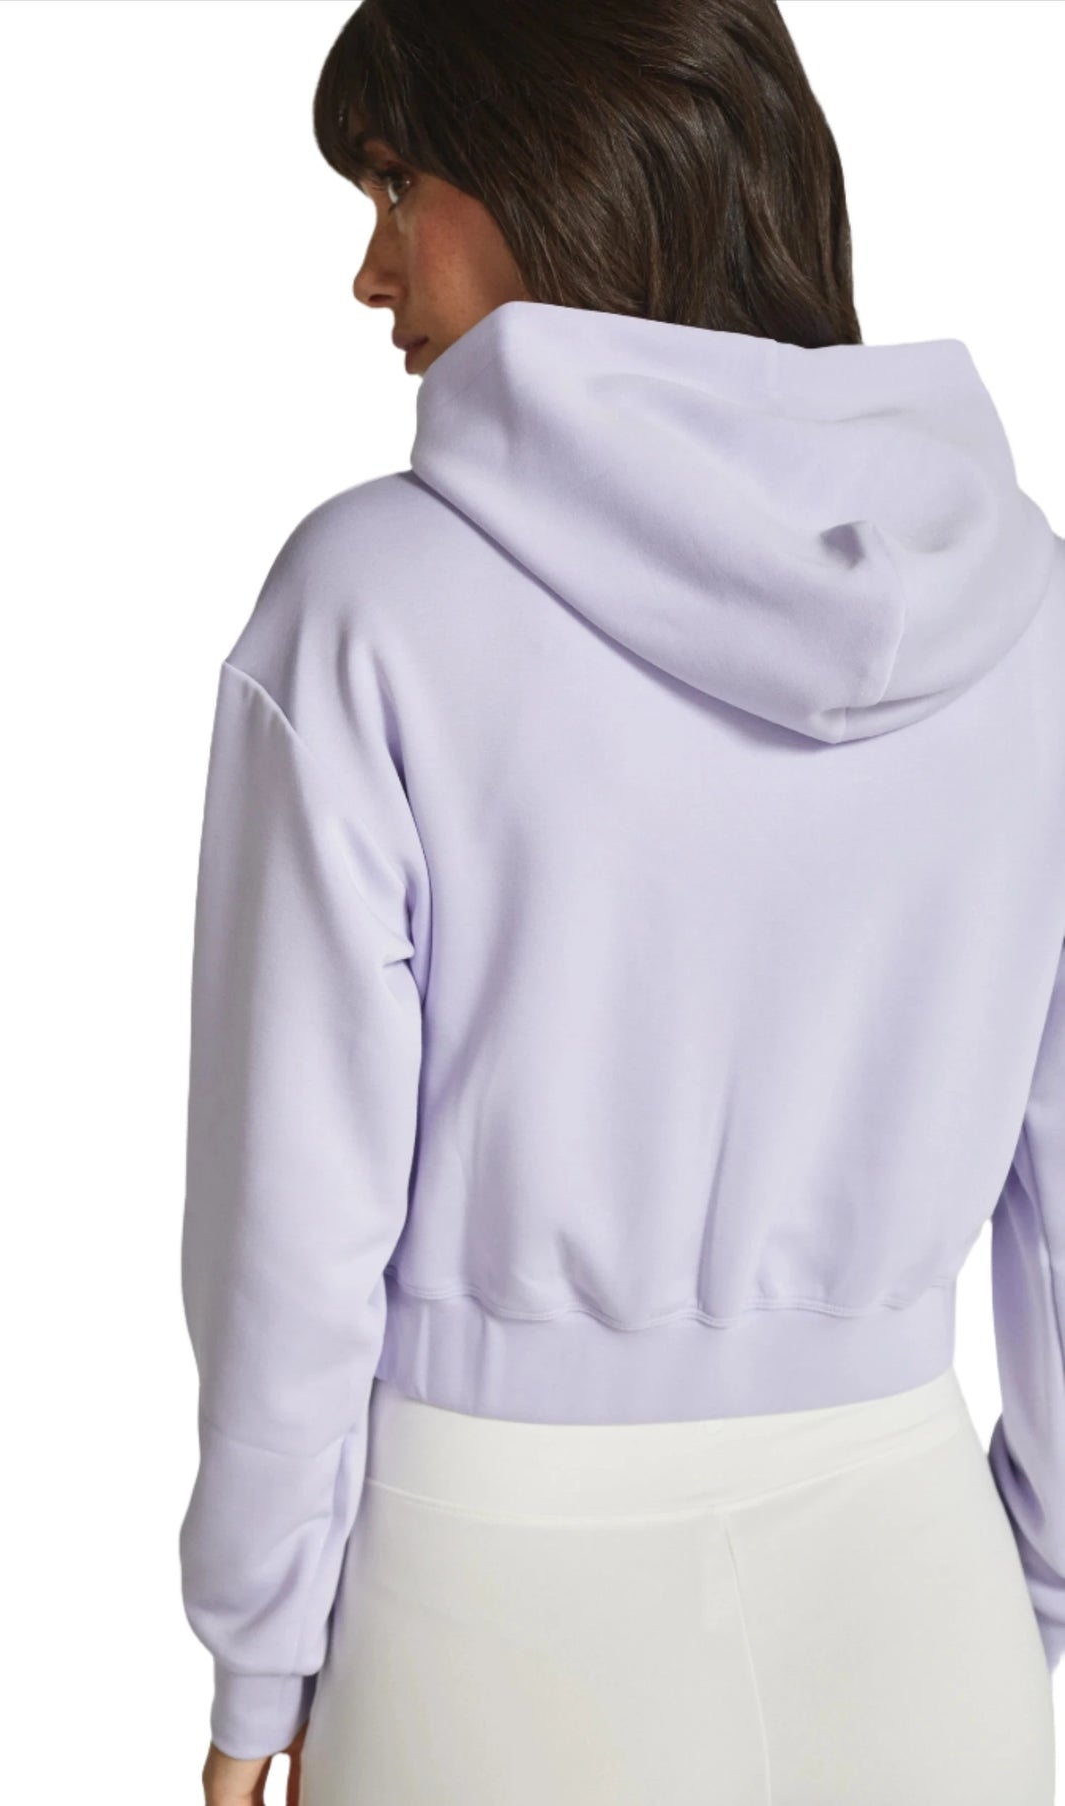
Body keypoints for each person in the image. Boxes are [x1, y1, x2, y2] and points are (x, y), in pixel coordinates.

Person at [177, 1, 1064, 1800]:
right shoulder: (1032, 609)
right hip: (912, 1589)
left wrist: (258, 1657)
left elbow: (294, 1215)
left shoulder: (366, 605)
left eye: (395, 185)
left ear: (560, 171)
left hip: (480, 1591)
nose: (370, 272)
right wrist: (1024, 1583)